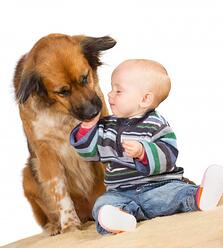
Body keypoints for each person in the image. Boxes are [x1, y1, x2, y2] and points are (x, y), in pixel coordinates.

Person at [70, 59, 223, 234]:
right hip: (121, 193)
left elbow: (169, 155)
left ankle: (201, 197)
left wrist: (144, 152)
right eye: (111, 89)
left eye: (118, 91)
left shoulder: (156, 124)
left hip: (157, 187)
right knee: (102, 204)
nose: (109, 94)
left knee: (175, 194)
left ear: (144, 99)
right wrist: (88, 126)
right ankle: (119, 219)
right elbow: (87, 152)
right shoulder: (106, 127)